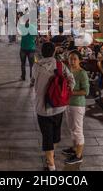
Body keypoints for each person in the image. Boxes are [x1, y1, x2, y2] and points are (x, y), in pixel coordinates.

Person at [32, 42, 75, 171]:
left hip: (43, 108)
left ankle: (51, 165)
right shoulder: (60, 65)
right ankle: (51, 155)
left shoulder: (36, 67)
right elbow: (71, 80)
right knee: (55, 134)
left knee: (47, 136)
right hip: (59, 107)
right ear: (54, 52)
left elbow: (33, 80)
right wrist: (66, 94)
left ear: (42, 52)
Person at [62, 51, 89, 165]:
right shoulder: (68, 72)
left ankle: (79, 155)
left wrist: (71, 92)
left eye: (74, 59)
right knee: (72, 128)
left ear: (79, 60)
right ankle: (74, 148)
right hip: (68, 104)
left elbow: (86, 91)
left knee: (78, 130)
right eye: (70, 59)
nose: (72, 61)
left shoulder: (82, 73)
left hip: (77, 105)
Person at [19, 20, 37, 84]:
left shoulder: (22, 27)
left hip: (23, 48)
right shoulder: (34, 28)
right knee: (31, 65)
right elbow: (35, 37)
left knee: (23, 64)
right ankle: (31, 79)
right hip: (31, 48)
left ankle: (23, 76)